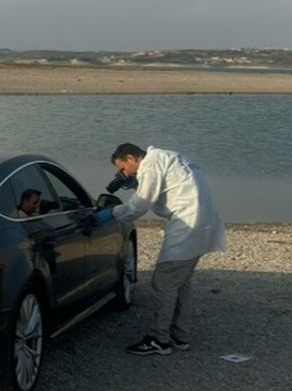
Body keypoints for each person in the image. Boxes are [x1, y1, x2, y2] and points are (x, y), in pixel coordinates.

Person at [91, 143, 226, 356]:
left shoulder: (151, 163)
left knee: (163, 282)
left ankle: (159, 340)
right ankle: (180, 336)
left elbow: (139, 206)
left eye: (123, 168)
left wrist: (110, 214)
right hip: (204, 223)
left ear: (131, 158)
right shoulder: (172, 156)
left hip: (188, 225)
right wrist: (139, 183)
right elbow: (167, 198)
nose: (124, 173)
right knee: (181, 283)